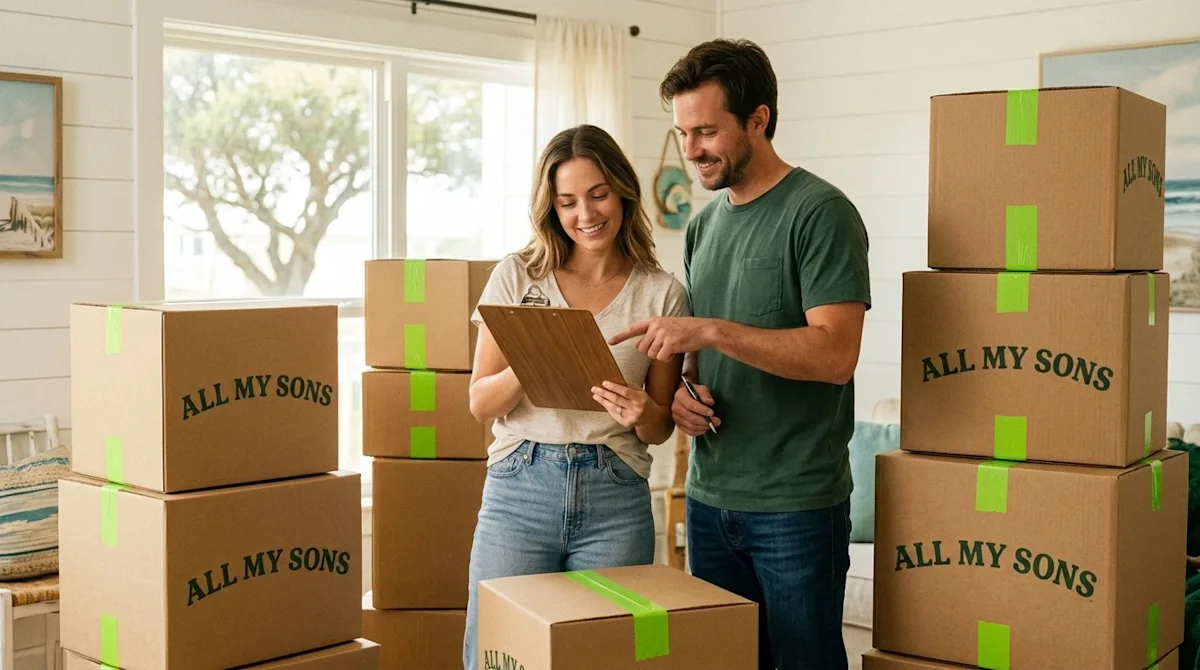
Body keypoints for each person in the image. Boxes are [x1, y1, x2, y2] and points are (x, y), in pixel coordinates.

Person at [610, 39, 871, 670]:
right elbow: (702, 364)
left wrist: (710, 332)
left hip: (797, 505)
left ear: (759, 119)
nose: (692, 150)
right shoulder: (704, 226)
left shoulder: (820, 212)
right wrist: (683, 393)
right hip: (710, 496)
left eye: (706, 131)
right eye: (682, 134)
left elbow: (836, 355)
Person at [462, 123, 690, 670]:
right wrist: (533, 355)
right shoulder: (518, 276)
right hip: (520, 488)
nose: (585, 214)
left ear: (623, 193)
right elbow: (479, 402)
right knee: (498, 654)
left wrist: (644, 411)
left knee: (606, 658)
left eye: (598, 194)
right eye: (567, 202)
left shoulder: (661, 293)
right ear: (551, 208)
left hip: (615, 494)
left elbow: (659, 427)